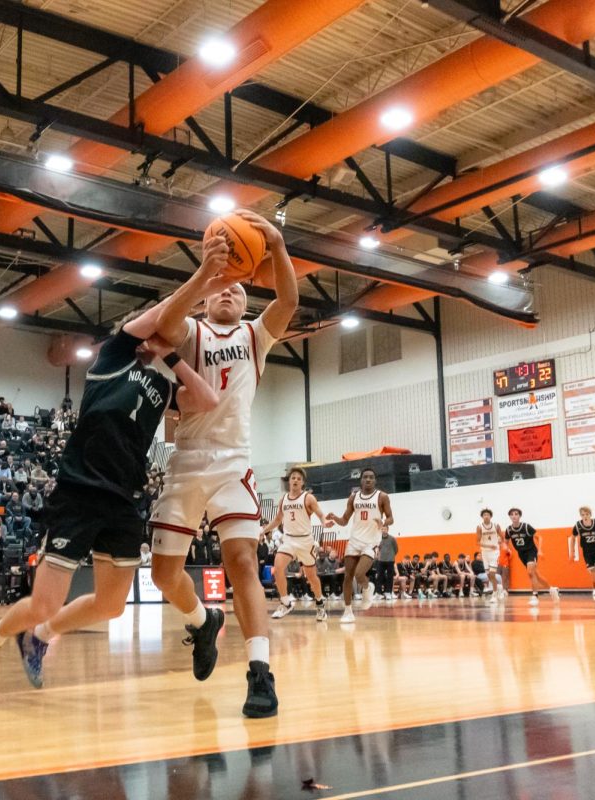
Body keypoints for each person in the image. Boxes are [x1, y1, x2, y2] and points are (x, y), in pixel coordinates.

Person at [0, 248, 224, 694]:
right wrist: (205, 282)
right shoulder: (113, 357)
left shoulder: (164, 384)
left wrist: (173, 357)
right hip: (79, 490)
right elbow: (161, 312)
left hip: (123, 499)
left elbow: (208, 401)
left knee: (111, 605)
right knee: (44, 603)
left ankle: (38, 640)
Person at [143, 210, 298, 718]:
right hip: (186, 462)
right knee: (165, 576)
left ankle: (260, 673)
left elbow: (289, 300)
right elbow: (164, 322)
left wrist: (275, 245)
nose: (229, 294)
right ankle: (202, 621)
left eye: (237, 289)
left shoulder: (256, 336)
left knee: (243, 564)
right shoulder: (190, 329)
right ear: (209, 296)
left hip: (234, 464)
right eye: (221, 290)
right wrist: (205, 275)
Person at [259, 468, 329, 622]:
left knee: (311, 577)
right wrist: (263, 531)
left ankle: (320, 603)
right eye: (293, 478)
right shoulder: (283, 499)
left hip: (305, 541)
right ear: (289, 481)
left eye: (298, 478)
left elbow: (320, 514)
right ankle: (285, 602)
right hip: (289, 540)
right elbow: (277, 520)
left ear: (302, 482)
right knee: (277, 568)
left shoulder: (308, 498)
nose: (295, 480)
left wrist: (324, 522)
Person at [325, 468, 394, 623]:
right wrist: (334, 518)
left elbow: (391, 518)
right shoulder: (353, 498)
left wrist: (383, 522)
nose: (368, 480)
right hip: (354, 540)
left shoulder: (382, 497)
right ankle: (348, 612)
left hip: (371, 542)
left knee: (359, 573)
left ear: (375, 480)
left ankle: (367, 587)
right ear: (361, 480)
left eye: (371, 477)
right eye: (365, 477)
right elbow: (344, 521)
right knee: (348, 576)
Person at [504, 508, 558, 605]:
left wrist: (540, 550)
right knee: (536, 575)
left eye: (516, 514)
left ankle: (535, 596)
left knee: (530, 572)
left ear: (519, 516)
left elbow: (539, 537)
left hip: (531, 551)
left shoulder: (526, 527)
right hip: (521, 554)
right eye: (512, 514)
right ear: (510, 517)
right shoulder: (509, 529)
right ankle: (552, 589)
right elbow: (506, 542)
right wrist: (506, 549)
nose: (514, 516)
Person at [475, 509, 505, 602]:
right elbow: (477, 542)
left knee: (492, 574)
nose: (486, 516)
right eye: (484, 515)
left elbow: (502, 537)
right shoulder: (479, 527)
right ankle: (499, 588)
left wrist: (500, 540)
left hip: (494, 552)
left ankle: (494, 594)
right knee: (489, 576)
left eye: (488, 515)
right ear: (482, 517)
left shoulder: (496, 525)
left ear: (490, 516)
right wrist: (488, 545)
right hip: (485, 553)